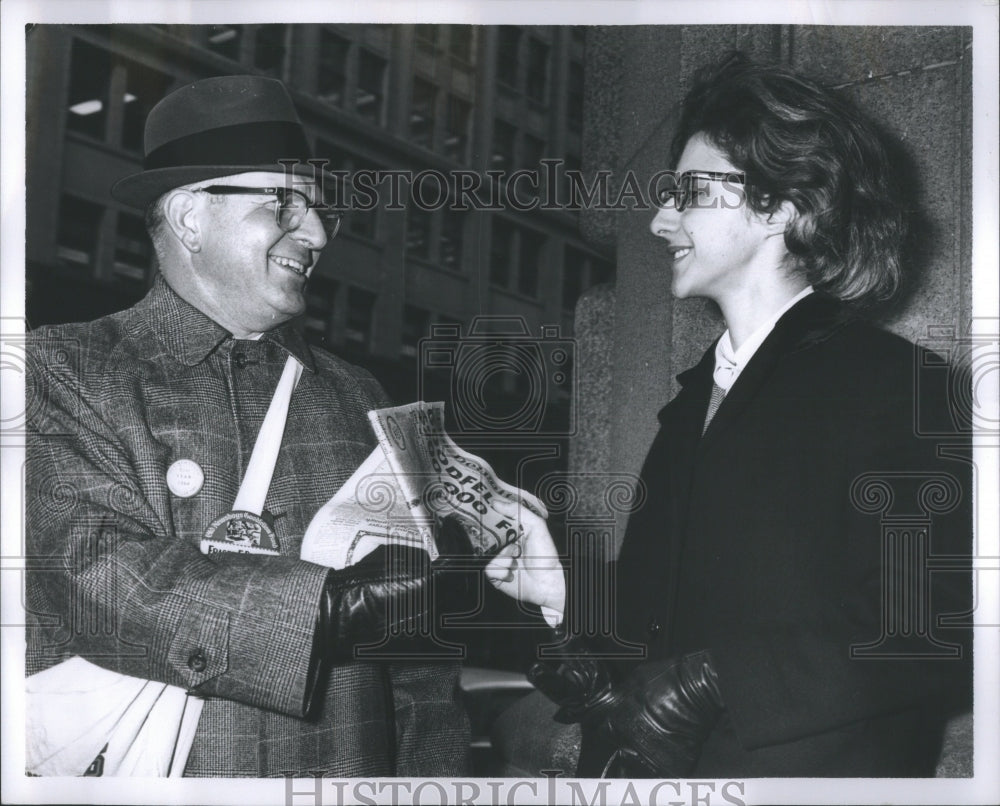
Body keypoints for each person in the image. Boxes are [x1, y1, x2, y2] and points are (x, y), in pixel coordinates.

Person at [25, 74, 562, 778]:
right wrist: (333, 608)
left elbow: (419, 675)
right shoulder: (57, 369)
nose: (313, 233)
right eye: (283, 202)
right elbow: (96, 576)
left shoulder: (357, 396)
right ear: (189, 216)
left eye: (317, 211)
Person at [524, 53, 972, 777]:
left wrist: (715, 682)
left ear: (781, 207)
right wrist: (562, 592)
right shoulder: (692, 403)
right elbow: (674, 616)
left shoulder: (902, 387)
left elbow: (939, 627)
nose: (660, 218)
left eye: (688, 192)